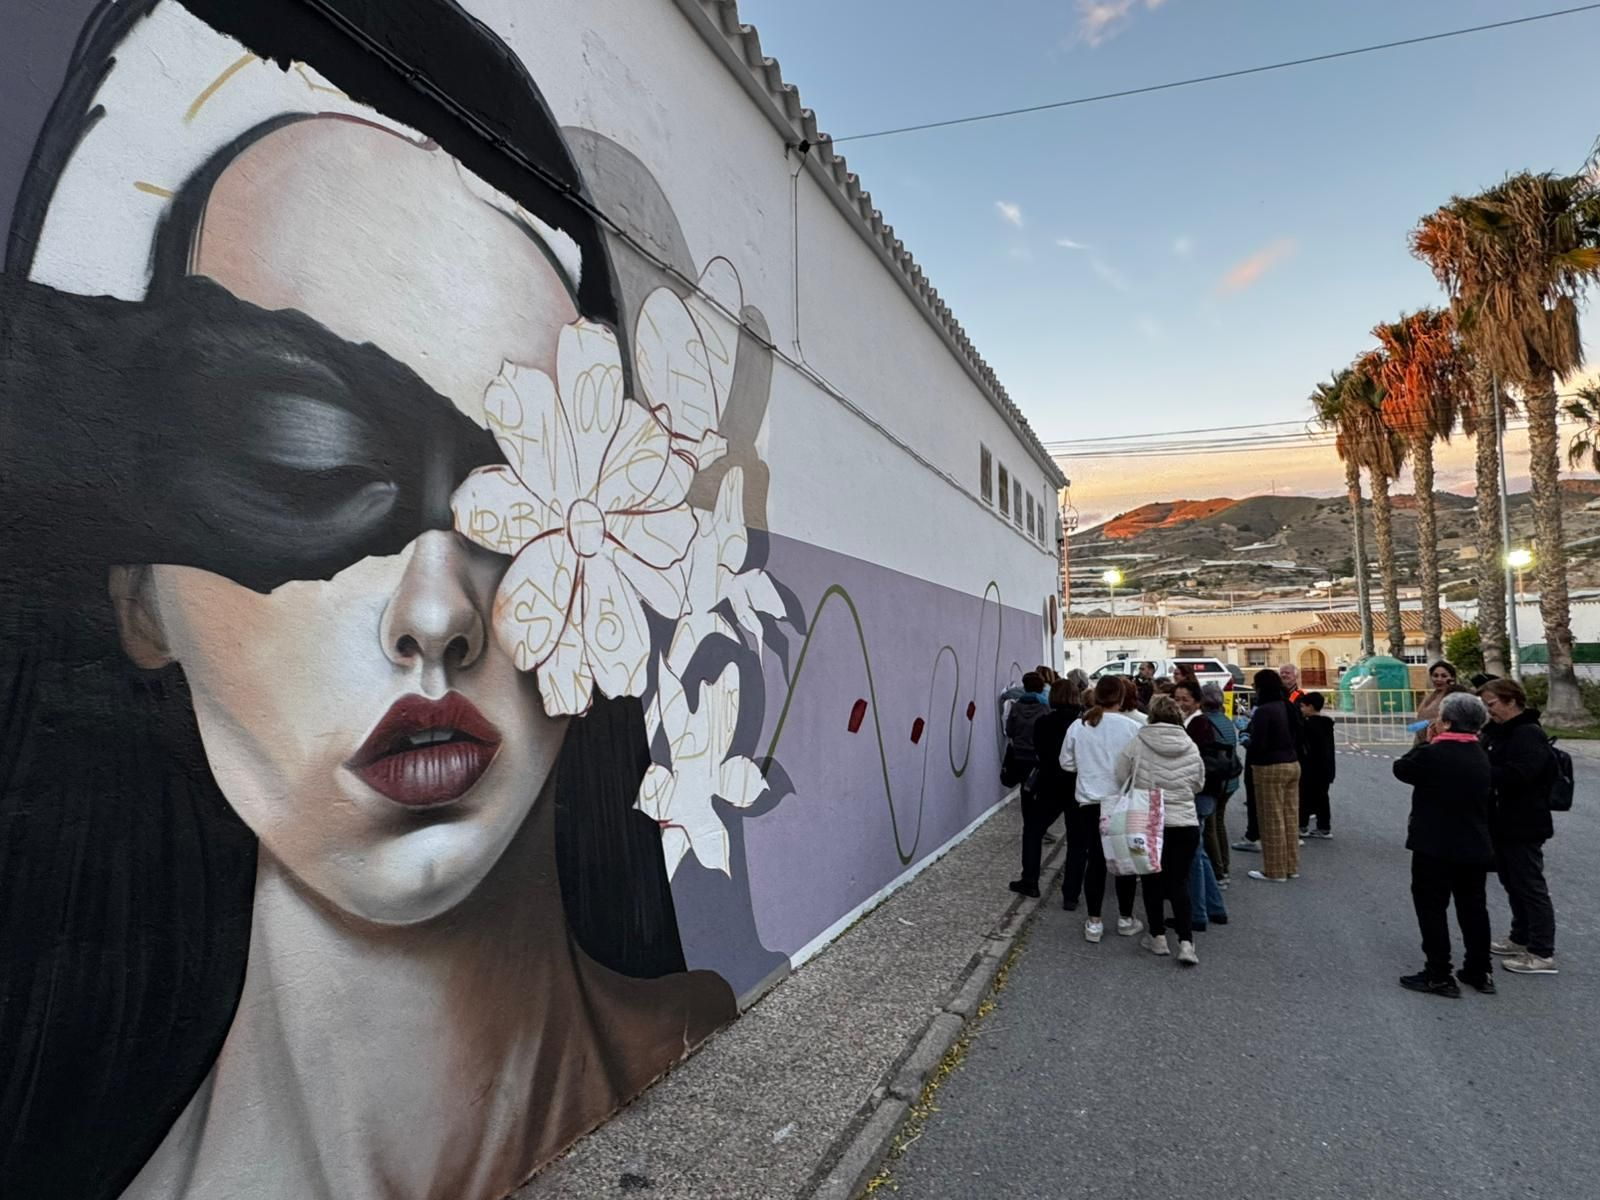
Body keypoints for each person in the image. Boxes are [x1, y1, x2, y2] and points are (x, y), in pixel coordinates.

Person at [0, 3, 742, 1194]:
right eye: (306, 460)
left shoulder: (703, 1043)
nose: (439, 612)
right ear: (138, 594)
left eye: (524, 483)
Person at [1392, 692, 1496, 998]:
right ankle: (1479, 968)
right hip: (1474, 842)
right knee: (1473, 907)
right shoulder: (1480, 753)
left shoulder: (1433, 753)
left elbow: (1402, 768)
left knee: (1432, 907)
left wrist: (1426, 740)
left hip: (1435, 844)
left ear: (1447, 722)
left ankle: (1439, 972)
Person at [1115, 696, 1206, 966]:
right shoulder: (1190, 745)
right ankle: (1186, 943)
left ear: (1152, 715)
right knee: (1179, 882)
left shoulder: (1138, 741)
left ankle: (1157, 938)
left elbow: (1121, 774)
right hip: (1184, 821)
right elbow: (1199, 782)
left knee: (1152, 880)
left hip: (1148, 820)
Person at [1479, 678, 1560, 975]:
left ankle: (1541, 951)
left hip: (1524, 821)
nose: (1490, 712)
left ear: (1511, 701)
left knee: (1529, 885)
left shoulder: (1527, 734)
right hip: (1503, 820)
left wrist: (1484, 770)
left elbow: (1522, 773)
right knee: (1511, 882)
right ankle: (1520, 936)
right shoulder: (1500, 732)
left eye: (1493, 705)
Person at [1059, 677, 1144, 942]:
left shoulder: (1079, 726)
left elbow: (1066, 763)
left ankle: (1094, 922)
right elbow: (1140, 767)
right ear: (1120, 698)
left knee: (1094, 861)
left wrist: (1088, 769)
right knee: (1124, 862)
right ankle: (1125, 918)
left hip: (1089, 802)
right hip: (1120, 801)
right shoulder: (1133, 728)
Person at [1010, 678, 1081, 898]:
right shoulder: (1084, 721)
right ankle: (1071, 894)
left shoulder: (1044, 722)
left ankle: (1030, 881)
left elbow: (1039, 752)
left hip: (1049, 784)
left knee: (1032, 831)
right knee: (1077, 842)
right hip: (1078, 785)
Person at [1175, 681, 1229, 927]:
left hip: (1199, 794)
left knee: (1192, 855)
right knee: (1199, 852)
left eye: (1185, 699)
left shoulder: (1198, 725)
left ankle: (1197, 914)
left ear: (1197, 701)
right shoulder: (1196, 723)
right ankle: (1216, 907)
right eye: (1177, 698)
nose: (1180, 703)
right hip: (1206, 794)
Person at [1246, 670, 1303, 882]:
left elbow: (1258, 744)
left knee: (1271, 820)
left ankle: (1275, 870)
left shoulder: (1263, 711)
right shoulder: (1286, 705)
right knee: (1289, 818)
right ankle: (1291, 865)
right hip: (1292, 763)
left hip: (1269, 767)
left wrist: (1246, 740)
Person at [1201, 683, 1241, 885]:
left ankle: (1218, 870)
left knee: (1210, 825)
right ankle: (1224, 866)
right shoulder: (1225, 720)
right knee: (1219, 822)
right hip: (1229, 781)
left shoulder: (1205, 723)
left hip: (1215, 780)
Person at [1297, 691, 1336, 838]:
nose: (1301, 710)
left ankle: (1302, 825)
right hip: (1326, 768)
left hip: (1310, 768)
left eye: (1303, 706)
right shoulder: (1326, 724)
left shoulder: (1307, 725)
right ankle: (1324, 827)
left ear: (1310, 707)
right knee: (1322, 798)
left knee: (1304, 797)